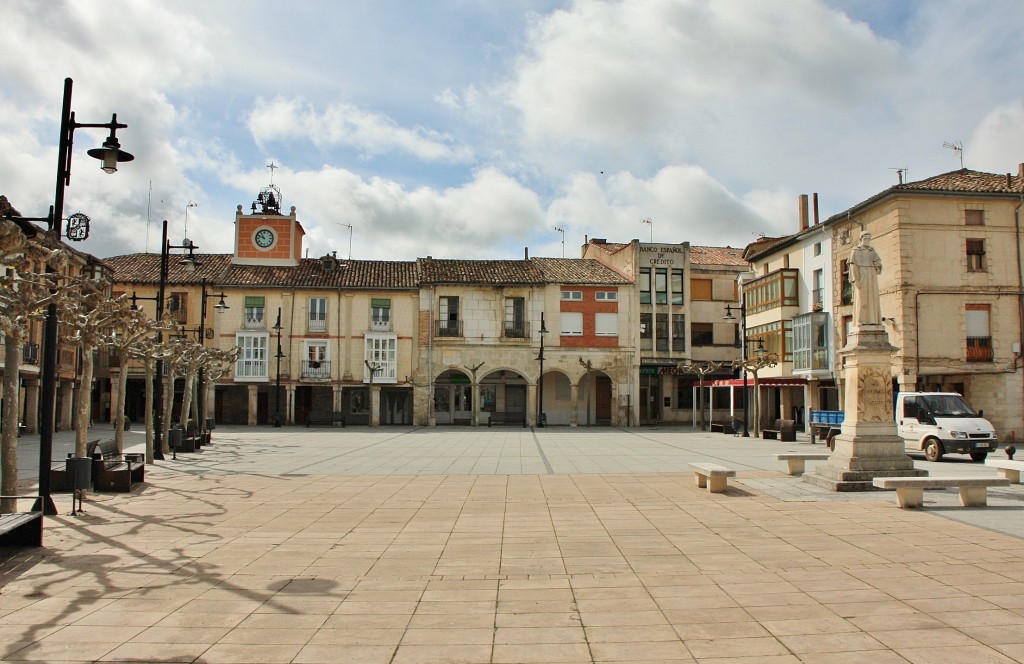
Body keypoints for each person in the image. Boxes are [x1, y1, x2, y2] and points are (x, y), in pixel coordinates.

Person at [849, 231, 882, 326]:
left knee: (873, 298)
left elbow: (878, 265)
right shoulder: (856, 250)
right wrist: (856, 280)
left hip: (872, 276)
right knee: (861, 298)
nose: (867, 240)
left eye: (869, 238)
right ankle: (860, 320)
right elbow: (853, 266)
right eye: (865, 238)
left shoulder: (872, 251)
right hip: (862, 275)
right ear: (861, 239)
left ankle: (874, 320)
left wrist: (877, 265)